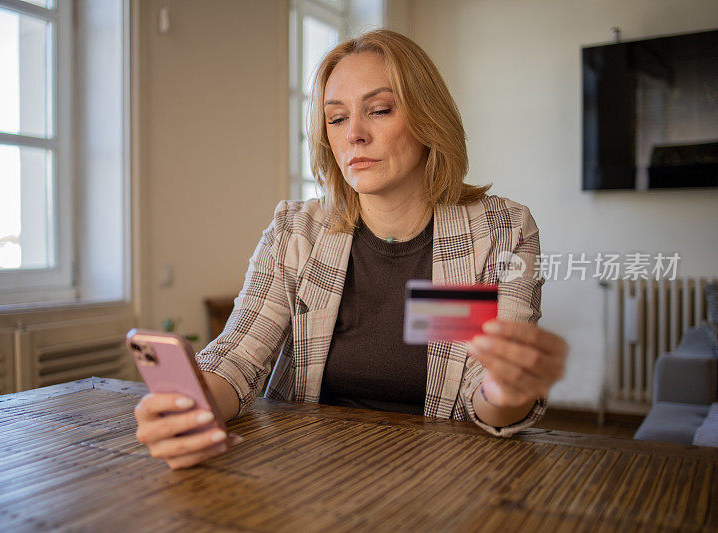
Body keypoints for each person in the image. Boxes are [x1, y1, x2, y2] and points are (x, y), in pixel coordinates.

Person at [134, 30, 568, 470]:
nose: (354, 134)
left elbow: (488, 400)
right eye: (337, 119)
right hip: (311, 472)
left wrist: (505, 389)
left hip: (446, 476)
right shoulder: (297, 229)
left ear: (428, 117)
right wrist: (195, 404)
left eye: (379, 110)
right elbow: (238, 357)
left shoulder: (499, 230)